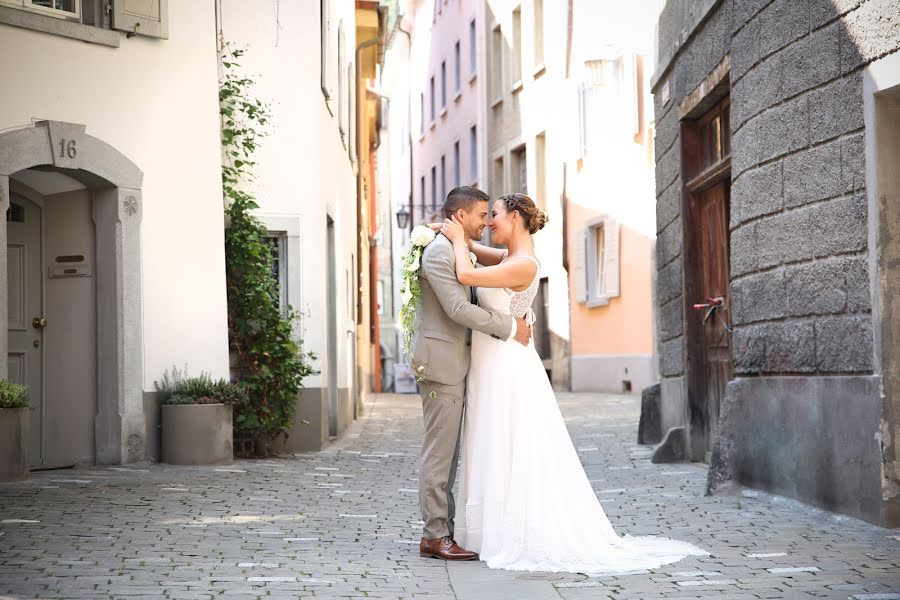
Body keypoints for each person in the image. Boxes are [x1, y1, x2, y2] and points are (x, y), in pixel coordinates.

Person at [439, 193, 708, 574]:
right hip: (491, 363)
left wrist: (453, 243)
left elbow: (465, 274)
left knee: (506, 442)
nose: (488, 223)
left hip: (507, 367)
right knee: (491, 440)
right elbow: (471, 247)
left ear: (514, 217)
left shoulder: (523, 265)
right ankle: (485, 532)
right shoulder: (506, 257)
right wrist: (442, 232)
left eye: (494, 215)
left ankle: (509, 532)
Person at [411, 186, 532, 561]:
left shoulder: (454, 247)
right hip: (442, 363)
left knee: (450, 453)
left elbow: (482, 264)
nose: (486, 222)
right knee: (439, 453)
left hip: (459, 361)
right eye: (482, 215)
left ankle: (443, 530)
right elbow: (457, 309)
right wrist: (511, 327)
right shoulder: (440, 253)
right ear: (461, 216)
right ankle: (434, 535)